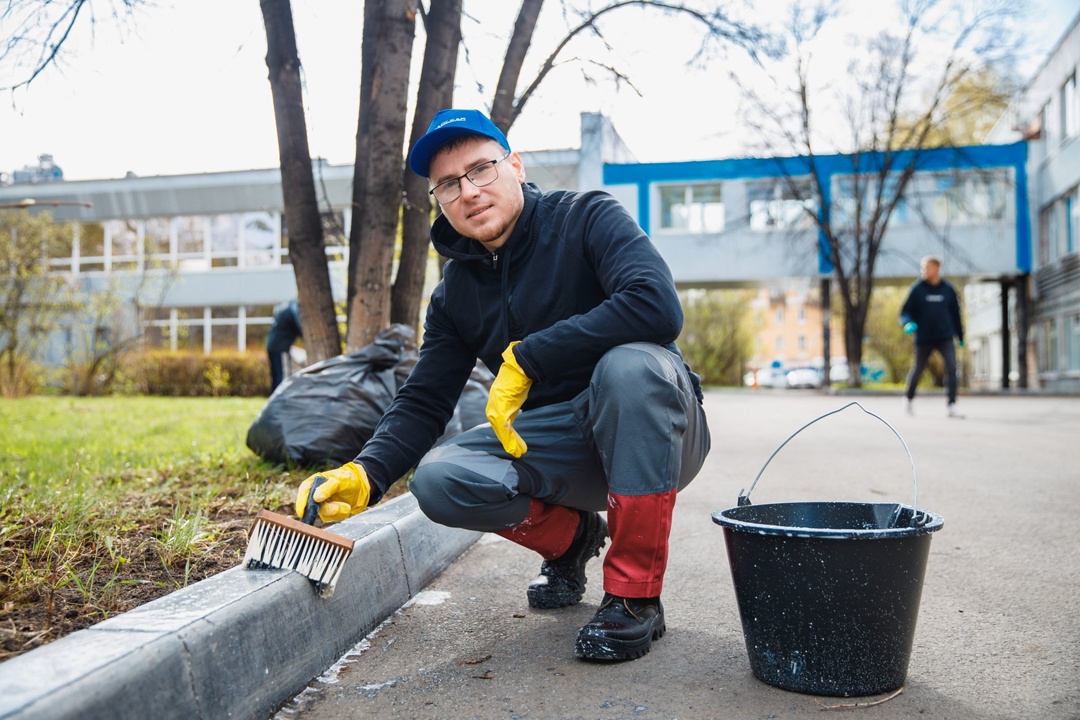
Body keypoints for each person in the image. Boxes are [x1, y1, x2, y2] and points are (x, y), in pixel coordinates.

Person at [293, 108, 711, 662]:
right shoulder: (454, 295)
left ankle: (635, 598)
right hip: (562, 449)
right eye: (448, 184)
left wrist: (530, 356)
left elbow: (655, 304)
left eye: (481, 169)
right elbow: (425, 399)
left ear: (514, 166)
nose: (469, 191)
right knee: (440, 480)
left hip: (657, 431)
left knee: (628, 367)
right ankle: (574, 540)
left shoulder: (586, 217)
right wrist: (365, 473)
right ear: (439, 200)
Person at [899, 256, 965, 418]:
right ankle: (908, 400)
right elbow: (905, 312)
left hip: (945, 337)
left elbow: (956, 314)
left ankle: (952, 405)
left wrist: (960, 335)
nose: (924, 271)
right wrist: (907, 323)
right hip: (924, 338)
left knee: (951, 368)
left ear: (937, 268)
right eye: (923, 267)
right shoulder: (917, 289)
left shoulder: (948, 289)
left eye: (927, 267)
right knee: (918, 369)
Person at [266, 299, 302, 394]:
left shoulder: (285, 308)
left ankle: (275, 397)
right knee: (282, 375)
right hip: (281, 347)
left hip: (271, 346)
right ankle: (281, 398)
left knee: (276, 374)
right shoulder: (293, 310)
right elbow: (300, 327)